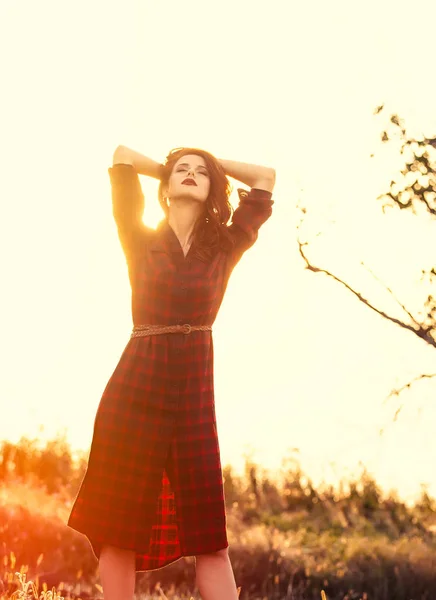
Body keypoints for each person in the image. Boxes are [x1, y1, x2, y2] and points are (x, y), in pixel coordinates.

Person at [67, 144, 276, 600]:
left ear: (212, 187)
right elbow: (122, 156)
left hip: (194, 398)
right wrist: (172, 165)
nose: (189, 174)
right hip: (133, 391)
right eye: (181, 171)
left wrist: (211, 163)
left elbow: (264, 179)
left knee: (211, 539)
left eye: (200, 173)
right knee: (119, 531)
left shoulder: (224, 244)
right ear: (163, 189)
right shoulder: (139, 237)